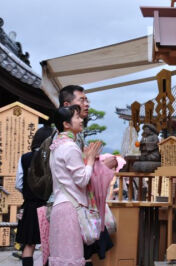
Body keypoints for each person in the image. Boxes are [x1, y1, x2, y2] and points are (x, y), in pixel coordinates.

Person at [59, 85, 117, 265]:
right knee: (77, 256)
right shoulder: (66, 142)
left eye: (87, 100)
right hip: (72, 206)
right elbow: (80, 177)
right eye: (82, 100)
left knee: (82, 255)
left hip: (77, 205)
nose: (86, 104)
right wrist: (93, 162)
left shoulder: (73, 137)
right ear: (67, 105)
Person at [48, 105, 102, 266]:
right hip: (70, 209)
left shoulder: (56, 146)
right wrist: (91, 159)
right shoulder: (70, 147)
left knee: (61, 258)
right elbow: (82, 179)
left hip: (60, 206)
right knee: (71, 259)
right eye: (77, 117)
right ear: (66, 124)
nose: (81, 120)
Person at [15, 125, 54, 266]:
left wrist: (29, 193)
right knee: (49, 245)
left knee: (29, 244)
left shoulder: (25, 158)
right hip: (49, 206)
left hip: (30, 206)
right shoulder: (52, 157)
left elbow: (18, 183)